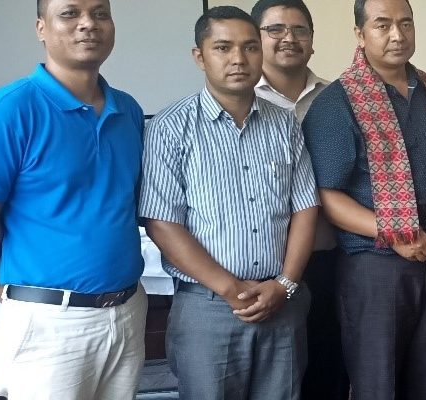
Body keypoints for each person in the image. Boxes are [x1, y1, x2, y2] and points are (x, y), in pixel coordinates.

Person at [302, 0, 426, 398]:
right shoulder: (337, 102)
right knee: (378, 384)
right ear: (360, 34)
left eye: (405, 23)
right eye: (382, 25)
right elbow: (325, 194)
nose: (397, 35)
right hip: (376, 267)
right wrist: (393, 232)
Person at [140, 7, 318, 399]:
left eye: (250, 47)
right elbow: (162, 221)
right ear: (199, 56)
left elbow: (305, 207)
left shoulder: (284, 123)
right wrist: (229, 288)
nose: (238, 59)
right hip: (208, 308)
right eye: (223, 48)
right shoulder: (171, 127)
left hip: (281, 303)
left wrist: (285, 283)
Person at [0, 0, 147, 397]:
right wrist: (9, 292)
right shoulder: (8, 111)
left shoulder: (129, 109)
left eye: (100, 14)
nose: (88, 24)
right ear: (41, 29)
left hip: (127, 311)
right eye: (70, 14)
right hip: (49, 323)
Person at [246, 1, 345, 398]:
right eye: (275, 29)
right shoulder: (238, 98)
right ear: (255, 39)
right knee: (271, 379)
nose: (289, 38)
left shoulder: (339, 98)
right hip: (264, 263)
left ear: (312, 40)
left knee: (329, 368)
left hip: (328, 257)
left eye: (300, 29)